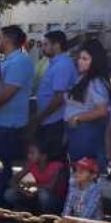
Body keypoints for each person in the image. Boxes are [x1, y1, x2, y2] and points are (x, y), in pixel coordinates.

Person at [0, 25, 35, 206]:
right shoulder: (9, 60)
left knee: (1, 165)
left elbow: (7, 94)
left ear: (7, 40)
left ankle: (1, 204)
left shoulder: (19, 62)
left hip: (7, 124)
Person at [30, 31, 77, 161]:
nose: (42, 47)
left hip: (55, 120)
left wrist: (40, 116)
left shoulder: (62, 65)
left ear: (56, 45)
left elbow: (59, 98)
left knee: (53, 160)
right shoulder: (53, 63)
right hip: (48, 119)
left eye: (45, 44)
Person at [64, 39, 110, 167]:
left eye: (85, 59)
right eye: (79, 58)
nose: (80, 61)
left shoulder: (96, 82)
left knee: (85, 174)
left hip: (86, 132)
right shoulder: (82, 78)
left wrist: (77, 117)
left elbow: (102, 110)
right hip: (77, 131)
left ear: (95, 60)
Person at [5, 141, 66, 214]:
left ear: (43, 156)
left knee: (44, 195)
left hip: (55, 200)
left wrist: (32, 186)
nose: (28, 156)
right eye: (29, 153)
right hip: (37, 196)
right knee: (9, 193)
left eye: (32, 153)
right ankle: (27, 210)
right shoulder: (31, 165)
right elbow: (12, 181)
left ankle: (48, 216)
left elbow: (51, 187)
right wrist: (23, 191)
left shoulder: (57, 166)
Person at [63, 157, 104, 223]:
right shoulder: (73, 185)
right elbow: (68, 205)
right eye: (76, 170)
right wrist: (64, 220)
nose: (77, 173)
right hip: (75, 220)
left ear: (93, 175)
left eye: (81, 171)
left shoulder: (96, 191)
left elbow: (88, 213)